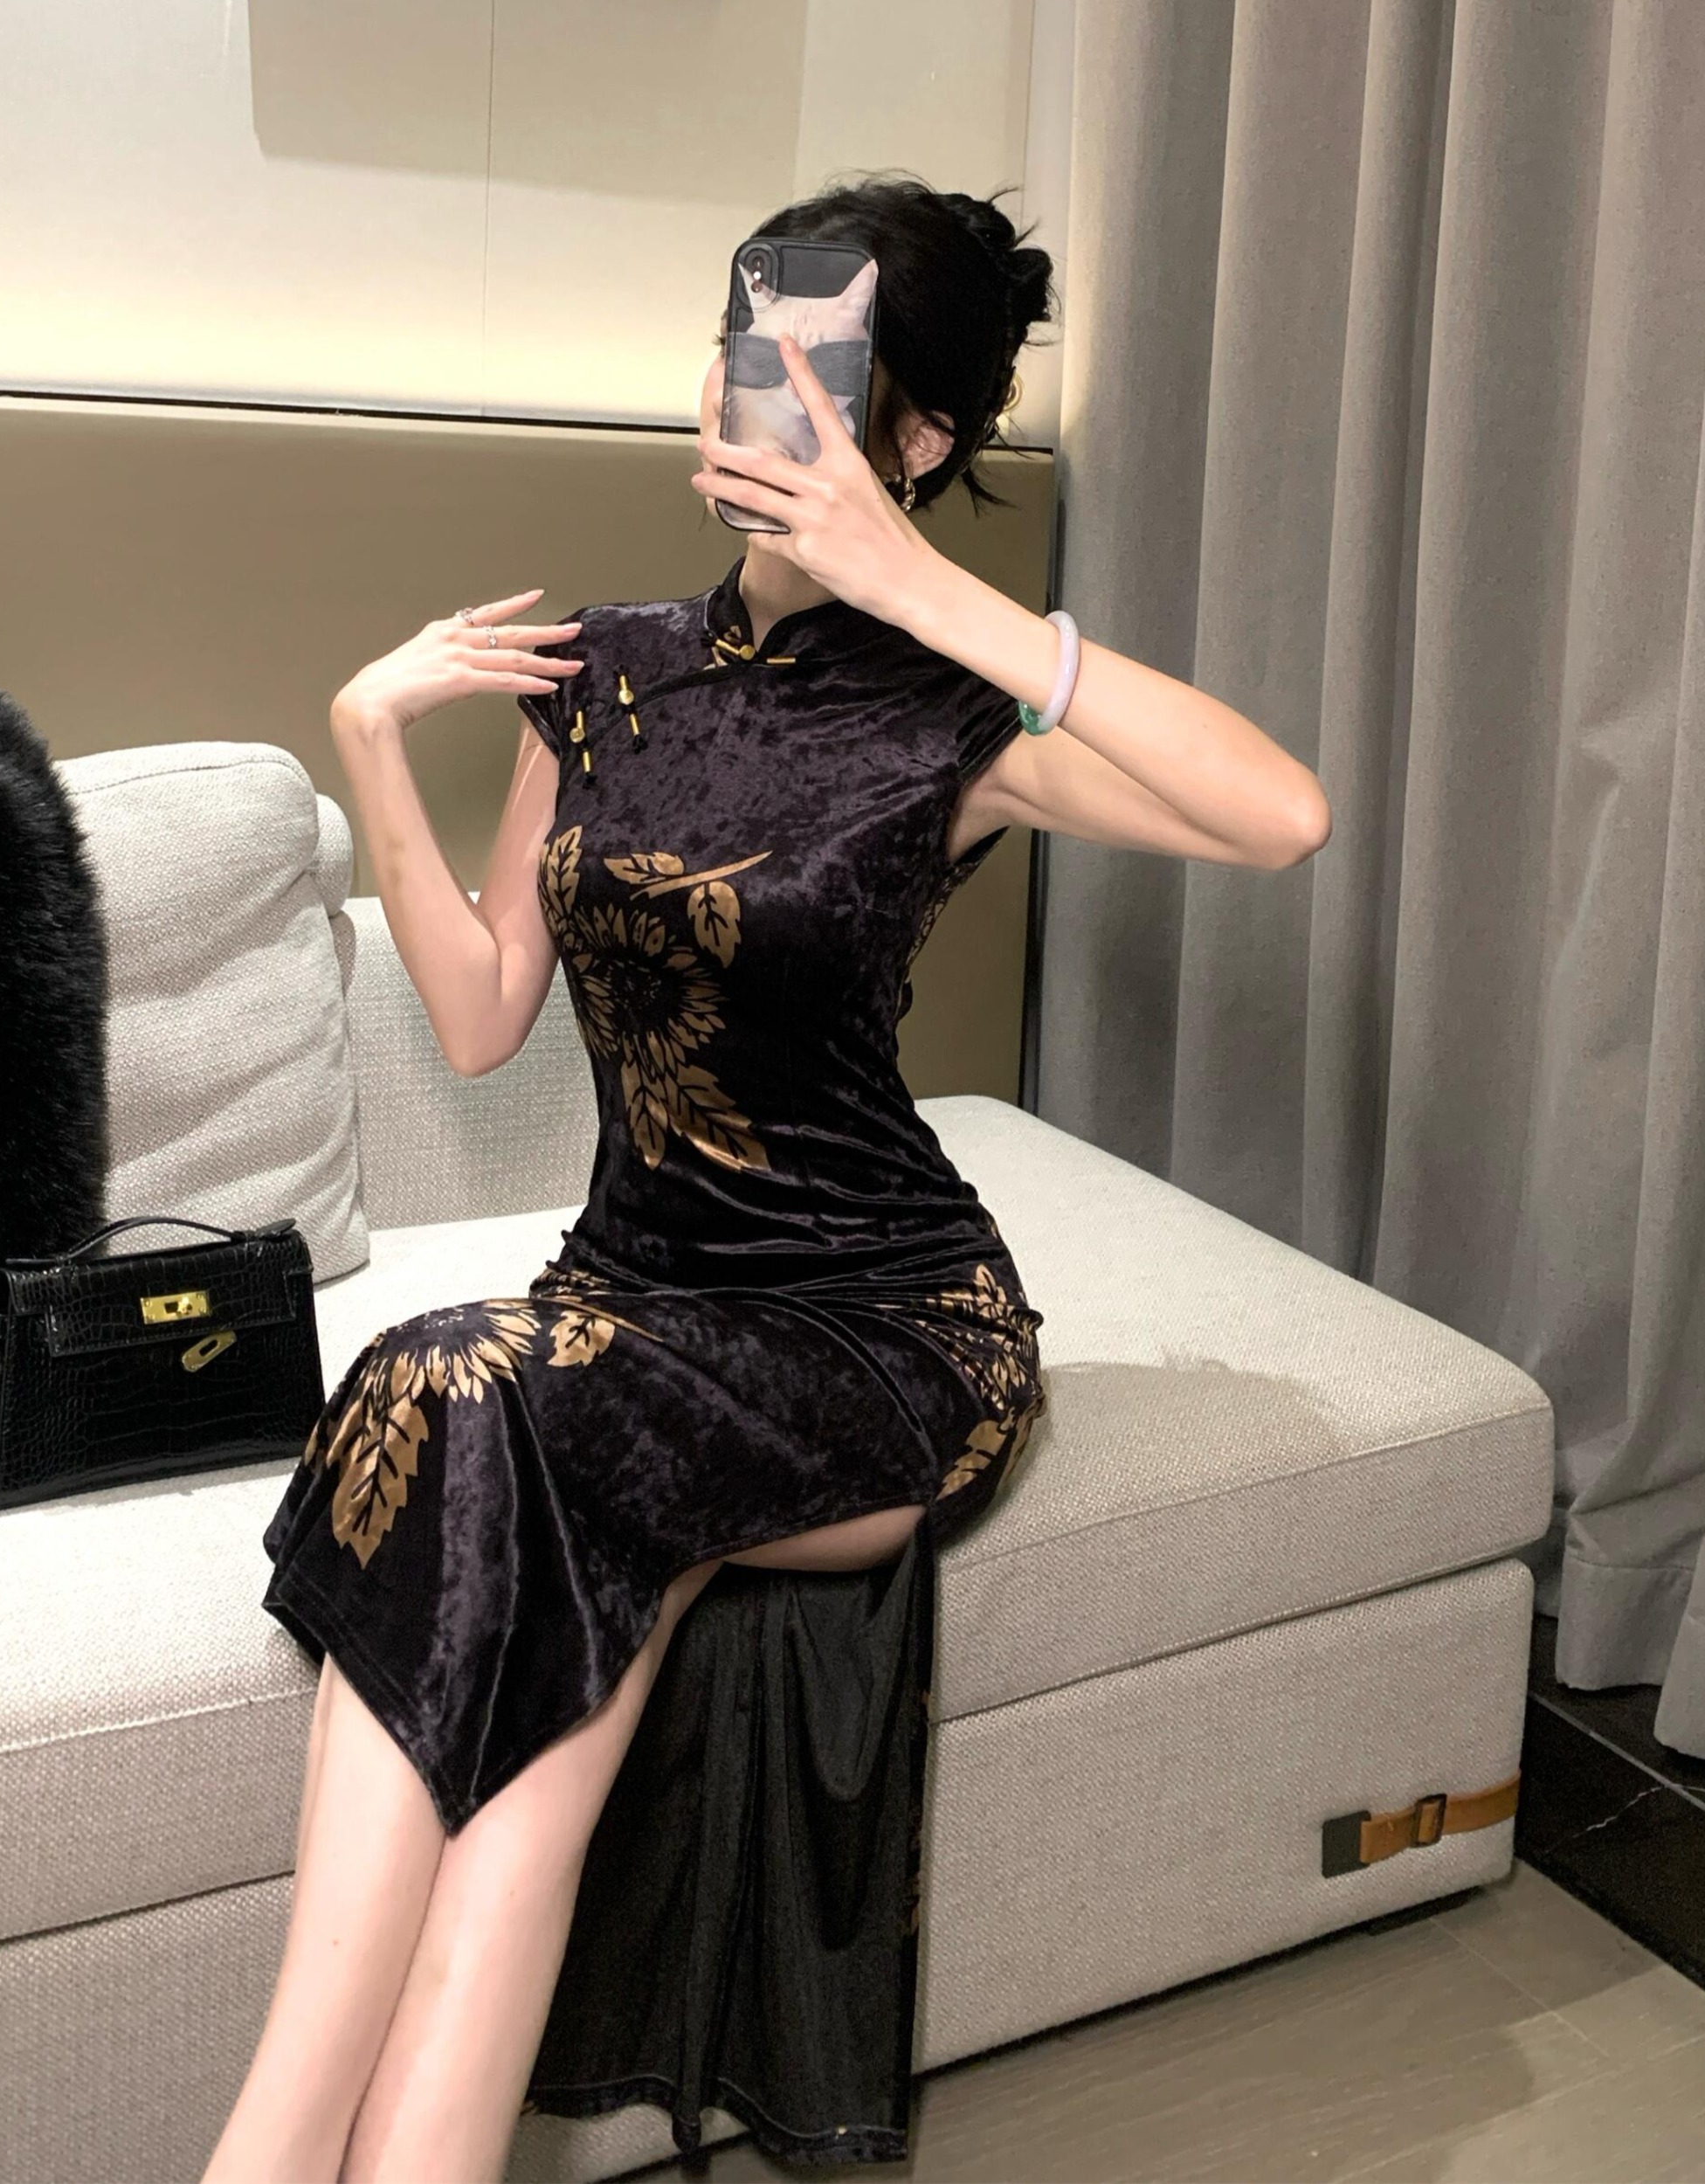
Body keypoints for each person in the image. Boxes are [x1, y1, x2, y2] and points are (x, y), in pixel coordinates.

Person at [206, 175, 1329, 2184]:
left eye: (814, 368)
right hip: (624, 1312)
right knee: (504, 1718)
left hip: (872, 1327)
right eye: (740, 346)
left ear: (915, 432)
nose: (752, 398)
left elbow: (1277, 816)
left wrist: (933, 591)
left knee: (465, 1383)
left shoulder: (956, 711)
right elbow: (475, 1013)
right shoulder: (603, 668)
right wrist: (370, 741)